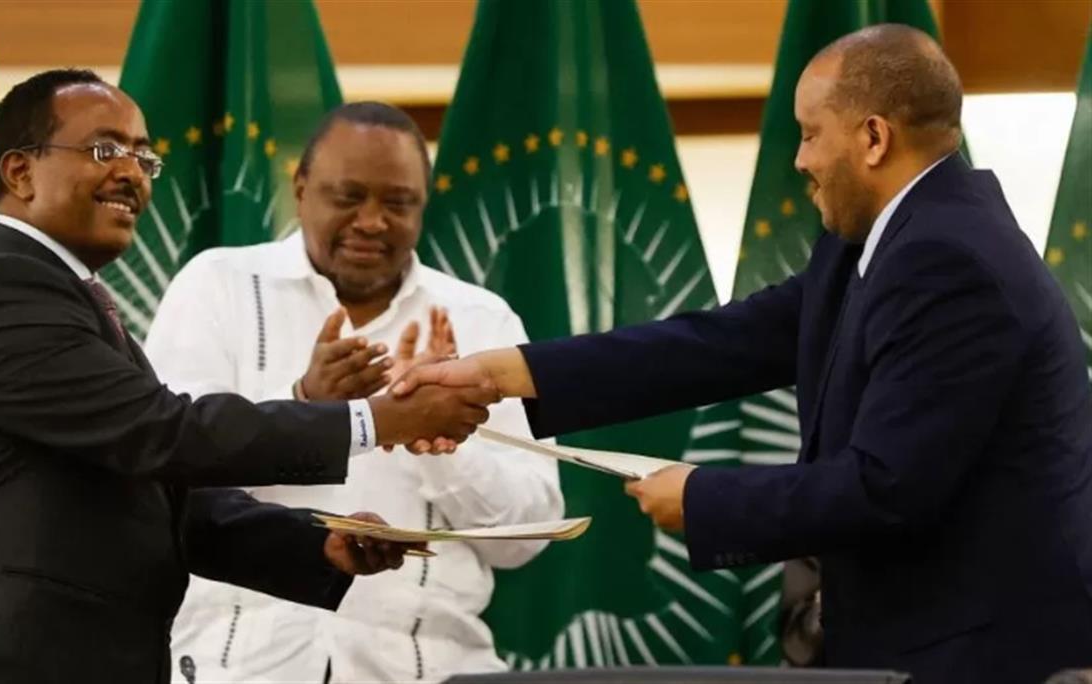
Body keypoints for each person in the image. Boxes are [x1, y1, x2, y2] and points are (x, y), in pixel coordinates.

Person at [394, 25, 1092, 683]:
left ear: (874, 138)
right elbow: (724, 343)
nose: (800, 160)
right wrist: (505, 373)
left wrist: (704, 500)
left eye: (810, 134)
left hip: (978, 658)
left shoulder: (948, 260)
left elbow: (887, 489)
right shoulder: (880, 243)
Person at [0, 70, 498, 684]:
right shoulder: (4, 289)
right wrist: (375, 420)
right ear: (20, 172)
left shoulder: (68, 296)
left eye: (143, 157)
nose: (131, 173)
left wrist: (318, 542)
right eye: (104, 150)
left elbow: (154, 488)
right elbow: (168, 434)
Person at [146, 102, 563, 684]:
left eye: (398, 203)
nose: (372, 222)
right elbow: (162, 480)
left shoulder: (481, 319)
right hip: (239, 667)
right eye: (348, 197)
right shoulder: (217, 285)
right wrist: (300, 404)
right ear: (300, 189)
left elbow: (529, 536)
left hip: (425, 669)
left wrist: (441, 438)